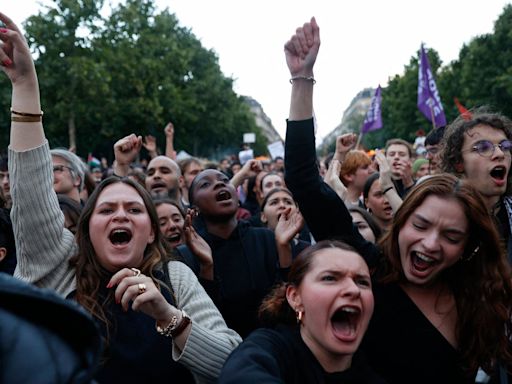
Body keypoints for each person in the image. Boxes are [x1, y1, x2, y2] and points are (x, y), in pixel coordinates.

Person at [0, 13, 240, 383]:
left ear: (150, 232)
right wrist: (25, 84)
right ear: (86, 228)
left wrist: (169, 317)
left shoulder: (176, 277)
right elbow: (32, 191)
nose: (120, 217)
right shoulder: (60, 263)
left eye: (134, 210)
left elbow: (232, 364)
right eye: (107, 210)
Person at [282, 17, 512, 383]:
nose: (430, 244)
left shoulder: (479, 300)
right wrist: (301, 79)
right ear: (401, 223)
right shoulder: (367, 271)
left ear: (469, 245)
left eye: (451, 237)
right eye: (420, 225)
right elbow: (302, 178)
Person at [219, 240, 385, 383]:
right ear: (295, 297)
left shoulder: (377, 370)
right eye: (330, 278)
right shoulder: (266, 349)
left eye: (362, 282)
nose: (353, 289)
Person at [176, 169, 285, 338]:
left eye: (225, 180)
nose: (219, 184)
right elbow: (199, 322)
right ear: (194, 209)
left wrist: (285, 248)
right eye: (205, 184)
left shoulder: (266, 239)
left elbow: (284, 303)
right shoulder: (184, 256)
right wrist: (207, 267)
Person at [440, 109, 512, 263]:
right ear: (459, 163)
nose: (500, 154)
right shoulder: (443, 217)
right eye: (483, 148)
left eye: (505, 146)